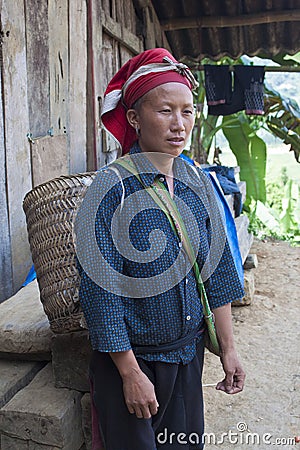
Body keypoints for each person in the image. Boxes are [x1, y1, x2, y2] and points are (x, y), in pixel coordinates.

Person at [75, 48, 246, 450]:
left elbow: (217, 272)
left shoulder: (197, 181)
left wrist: (229, 349)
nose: (179, 124)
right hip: (134, 364)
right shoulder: (111, 188)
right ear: (134, 118)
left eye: (187, 111)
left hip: (187, 356)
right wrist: (130, 373)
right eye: (165, 111)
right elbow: (100, 293)